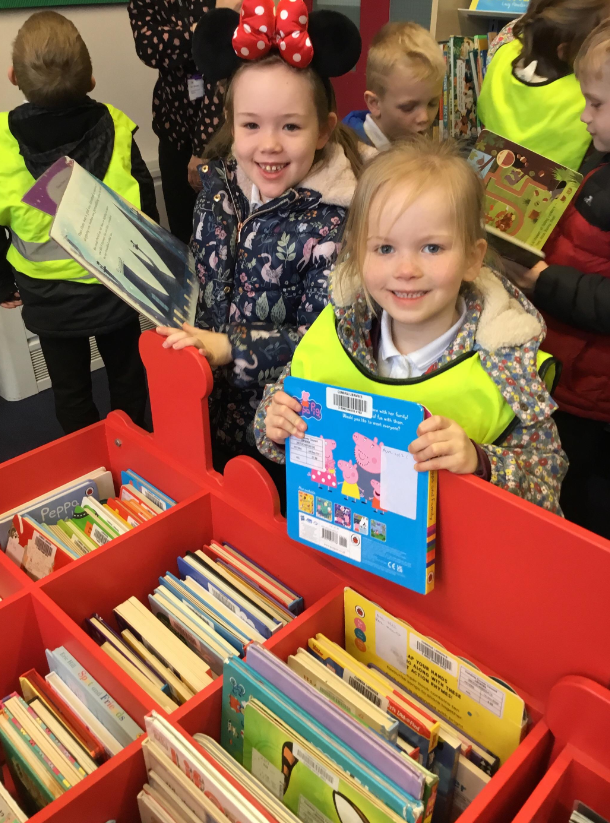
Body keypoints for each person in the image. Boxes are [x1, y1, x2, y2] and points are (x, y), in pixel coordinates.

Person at [255, 139, 567, 514]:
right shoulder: (337, 332)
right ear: (358, 253)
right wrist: (275, 423)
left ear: (472, 258)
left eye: (432, 248)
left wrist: (480, 462)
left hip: (459, 564)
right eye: (385, 249)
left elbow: (547, 488)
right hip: (342, 548)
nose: (406, 271)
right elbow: (273, 422)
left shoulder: (507, 371)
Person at [155, 0, 368, 500]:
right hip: (206, 403)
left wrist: (233, 348)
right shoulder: (217, 189)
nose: (268, 144)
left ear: (323, 130)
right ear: (233, 124)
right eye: (251, 125)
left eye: (290, 126)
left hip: (282, 431)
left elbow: (331, 342)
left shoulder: (338, 221)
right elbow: (202, 277)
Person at [0, 11, 157, 434]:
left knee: (69, 393)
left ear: (14, 76)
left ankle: (85, 465)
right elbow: (148, 214)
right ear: (90, 80)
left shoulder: (2, 142)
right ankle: (133, 453)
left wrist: (1, 281)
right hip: (115, 290)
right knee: (126, 379)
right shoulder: (119, 128)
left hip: (49, 301)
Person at [502, 21, 610, 537]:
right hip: (566, 371)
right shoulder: (600, 157)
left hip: (594, 398)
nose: (585, 116)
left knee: (584, 520)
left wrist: (546, 281)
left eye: (597, 105)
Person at [128, 0, 239, 243]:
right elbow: (148, 48)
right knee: (180, 233)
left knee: (221, 235)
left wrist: (204, 148)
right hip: (172, 128)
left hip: (220, 132)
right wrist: (200, 32)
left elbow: (222, 62)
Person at [477, 0, 610, 170]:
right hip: (555, 192)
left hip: (488, 175)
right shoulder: (586, 91)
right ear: (565, 51)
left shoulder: (503, 51)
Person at [343, 22, 445, 149]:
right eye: (408, 107)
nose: (424, 118)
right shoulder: (349, 156)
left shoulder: (413, 142)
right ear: (374, 103)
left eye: (433, 104)